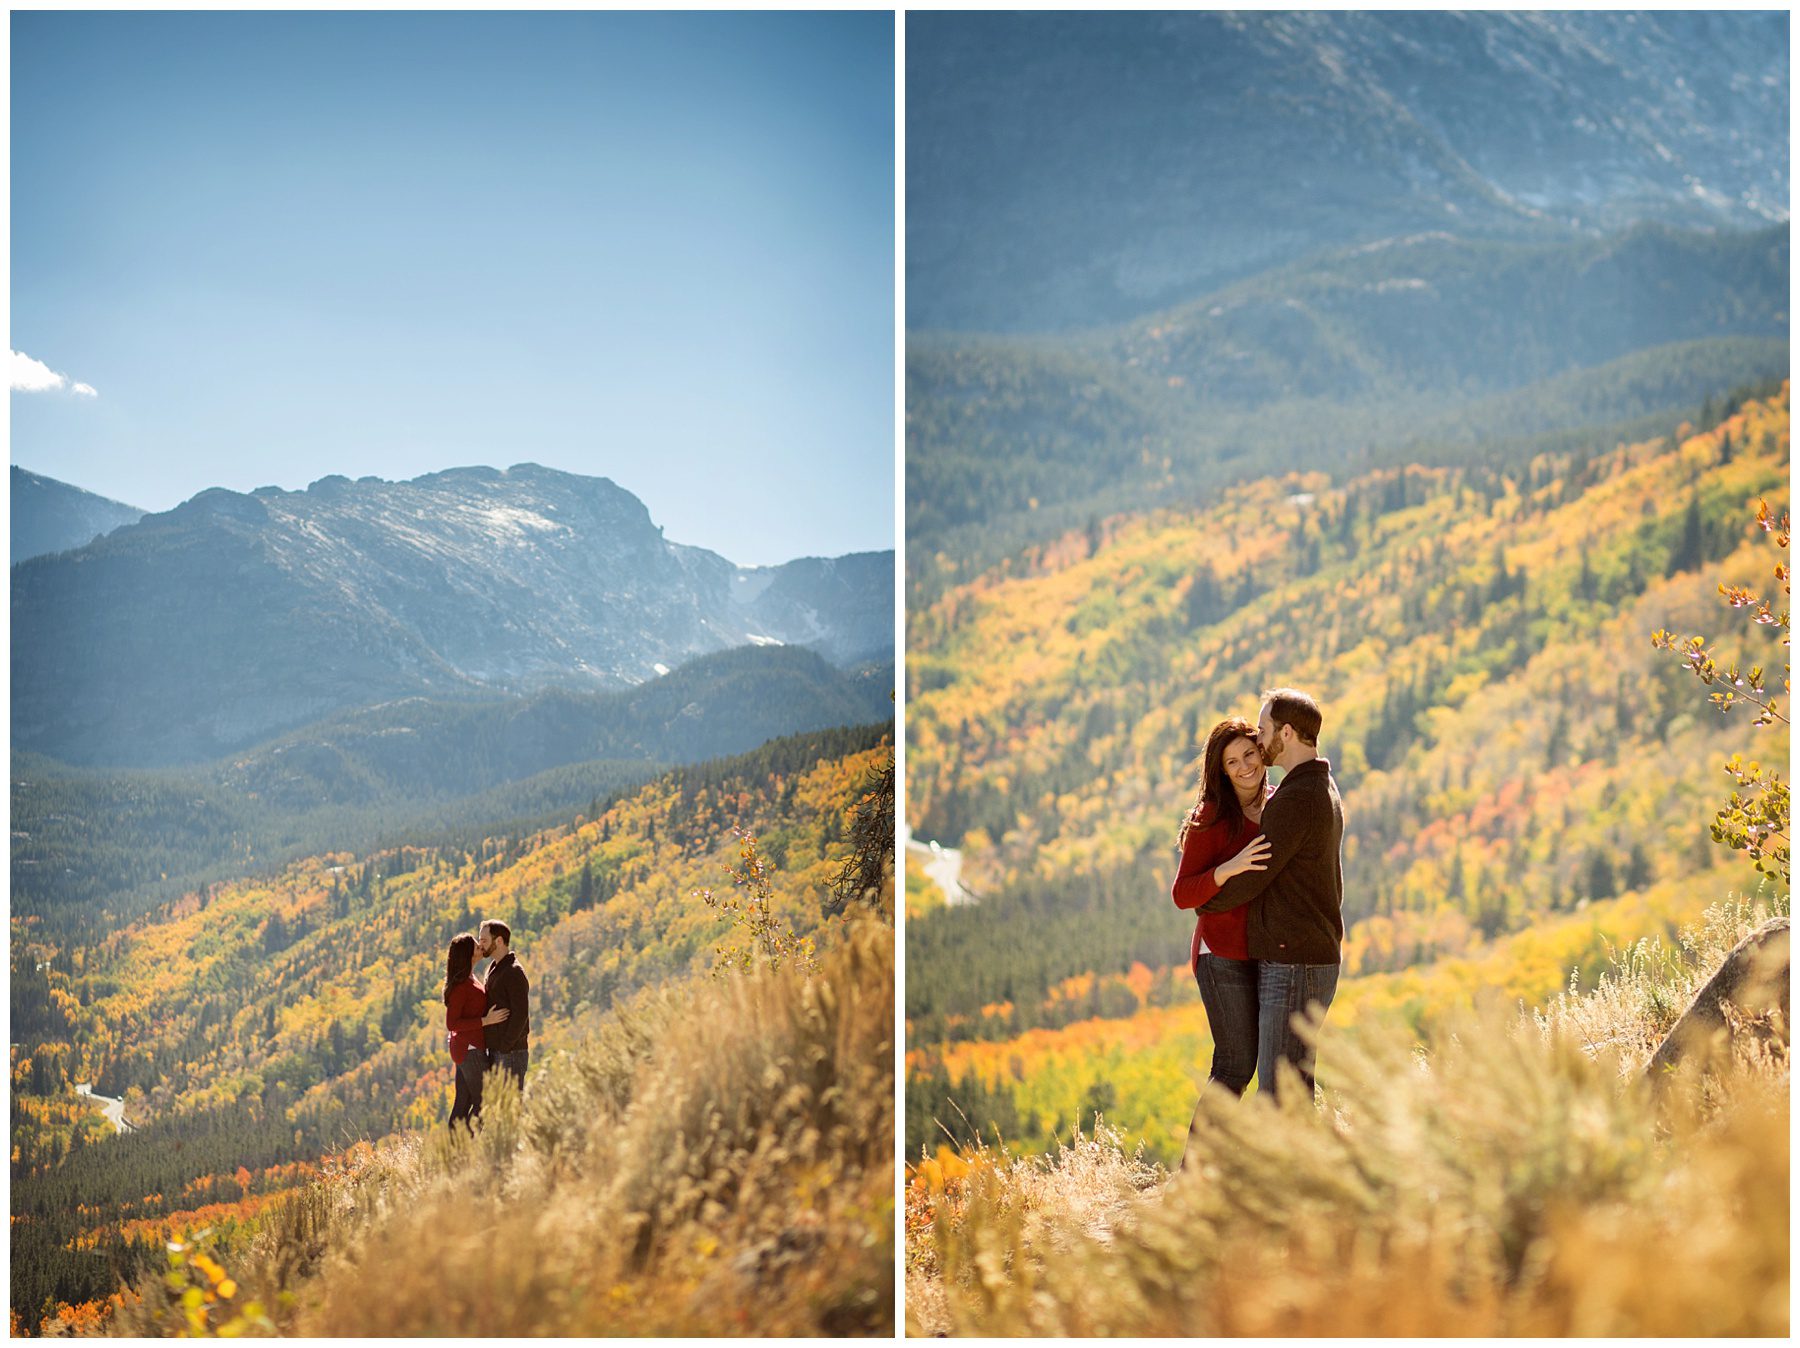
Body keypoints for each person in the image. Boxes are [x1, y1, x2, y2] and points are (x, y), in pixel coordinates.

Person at [1195, 688, 1344, 1104]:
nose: (1259, 741)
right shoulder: (1321, 787)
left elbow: (1253, 875)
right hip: (1307, 955)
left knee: (1279, 1091)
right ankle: (1301, 1170)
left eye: (1264, 730)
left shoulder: (1295, 800)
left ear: (1288, 733)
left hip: (1295, 960)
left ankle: (1282, 1170)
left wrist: (1206, 899)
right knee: (1292, 1085)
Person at [1171, 717, 1274, 1119]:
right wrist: (1228, 868)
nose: (1245, 766)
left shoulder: (1281, 803)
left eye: (1249, 754)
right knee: (1234, 1066)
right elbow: (1182, 894)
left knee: (1265, 1063)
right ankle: (1194, 1174)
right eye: (1232, 762)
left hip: (1262, 952)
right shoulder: (1210, 816)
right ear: (1221, 770)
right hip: (1221, 956)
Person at [444, 932, 509, 1128]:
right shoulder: (461, 986)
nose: (480, 947)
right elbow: (452, 1023)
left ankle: (454, 1153)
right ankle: (467, 1145)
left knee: (463, 1103)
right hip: (469, 1049)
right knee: (486, 1101)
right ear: (467, 954)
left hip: (469, 1048)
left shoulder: (470, 977)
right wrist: (485, 1021)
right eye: (476, 946)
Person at [477, 919, 530, 1089]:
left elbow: (521, 1013)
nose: (480, 944)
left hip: (511, 1052)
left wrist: (506, 1046)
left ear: (499, 941)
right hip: (497, 1050)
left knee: (511, 1106)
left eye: (484, 940)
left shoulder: (514, 971)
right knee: (498, 1106)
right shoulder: (494, 968)